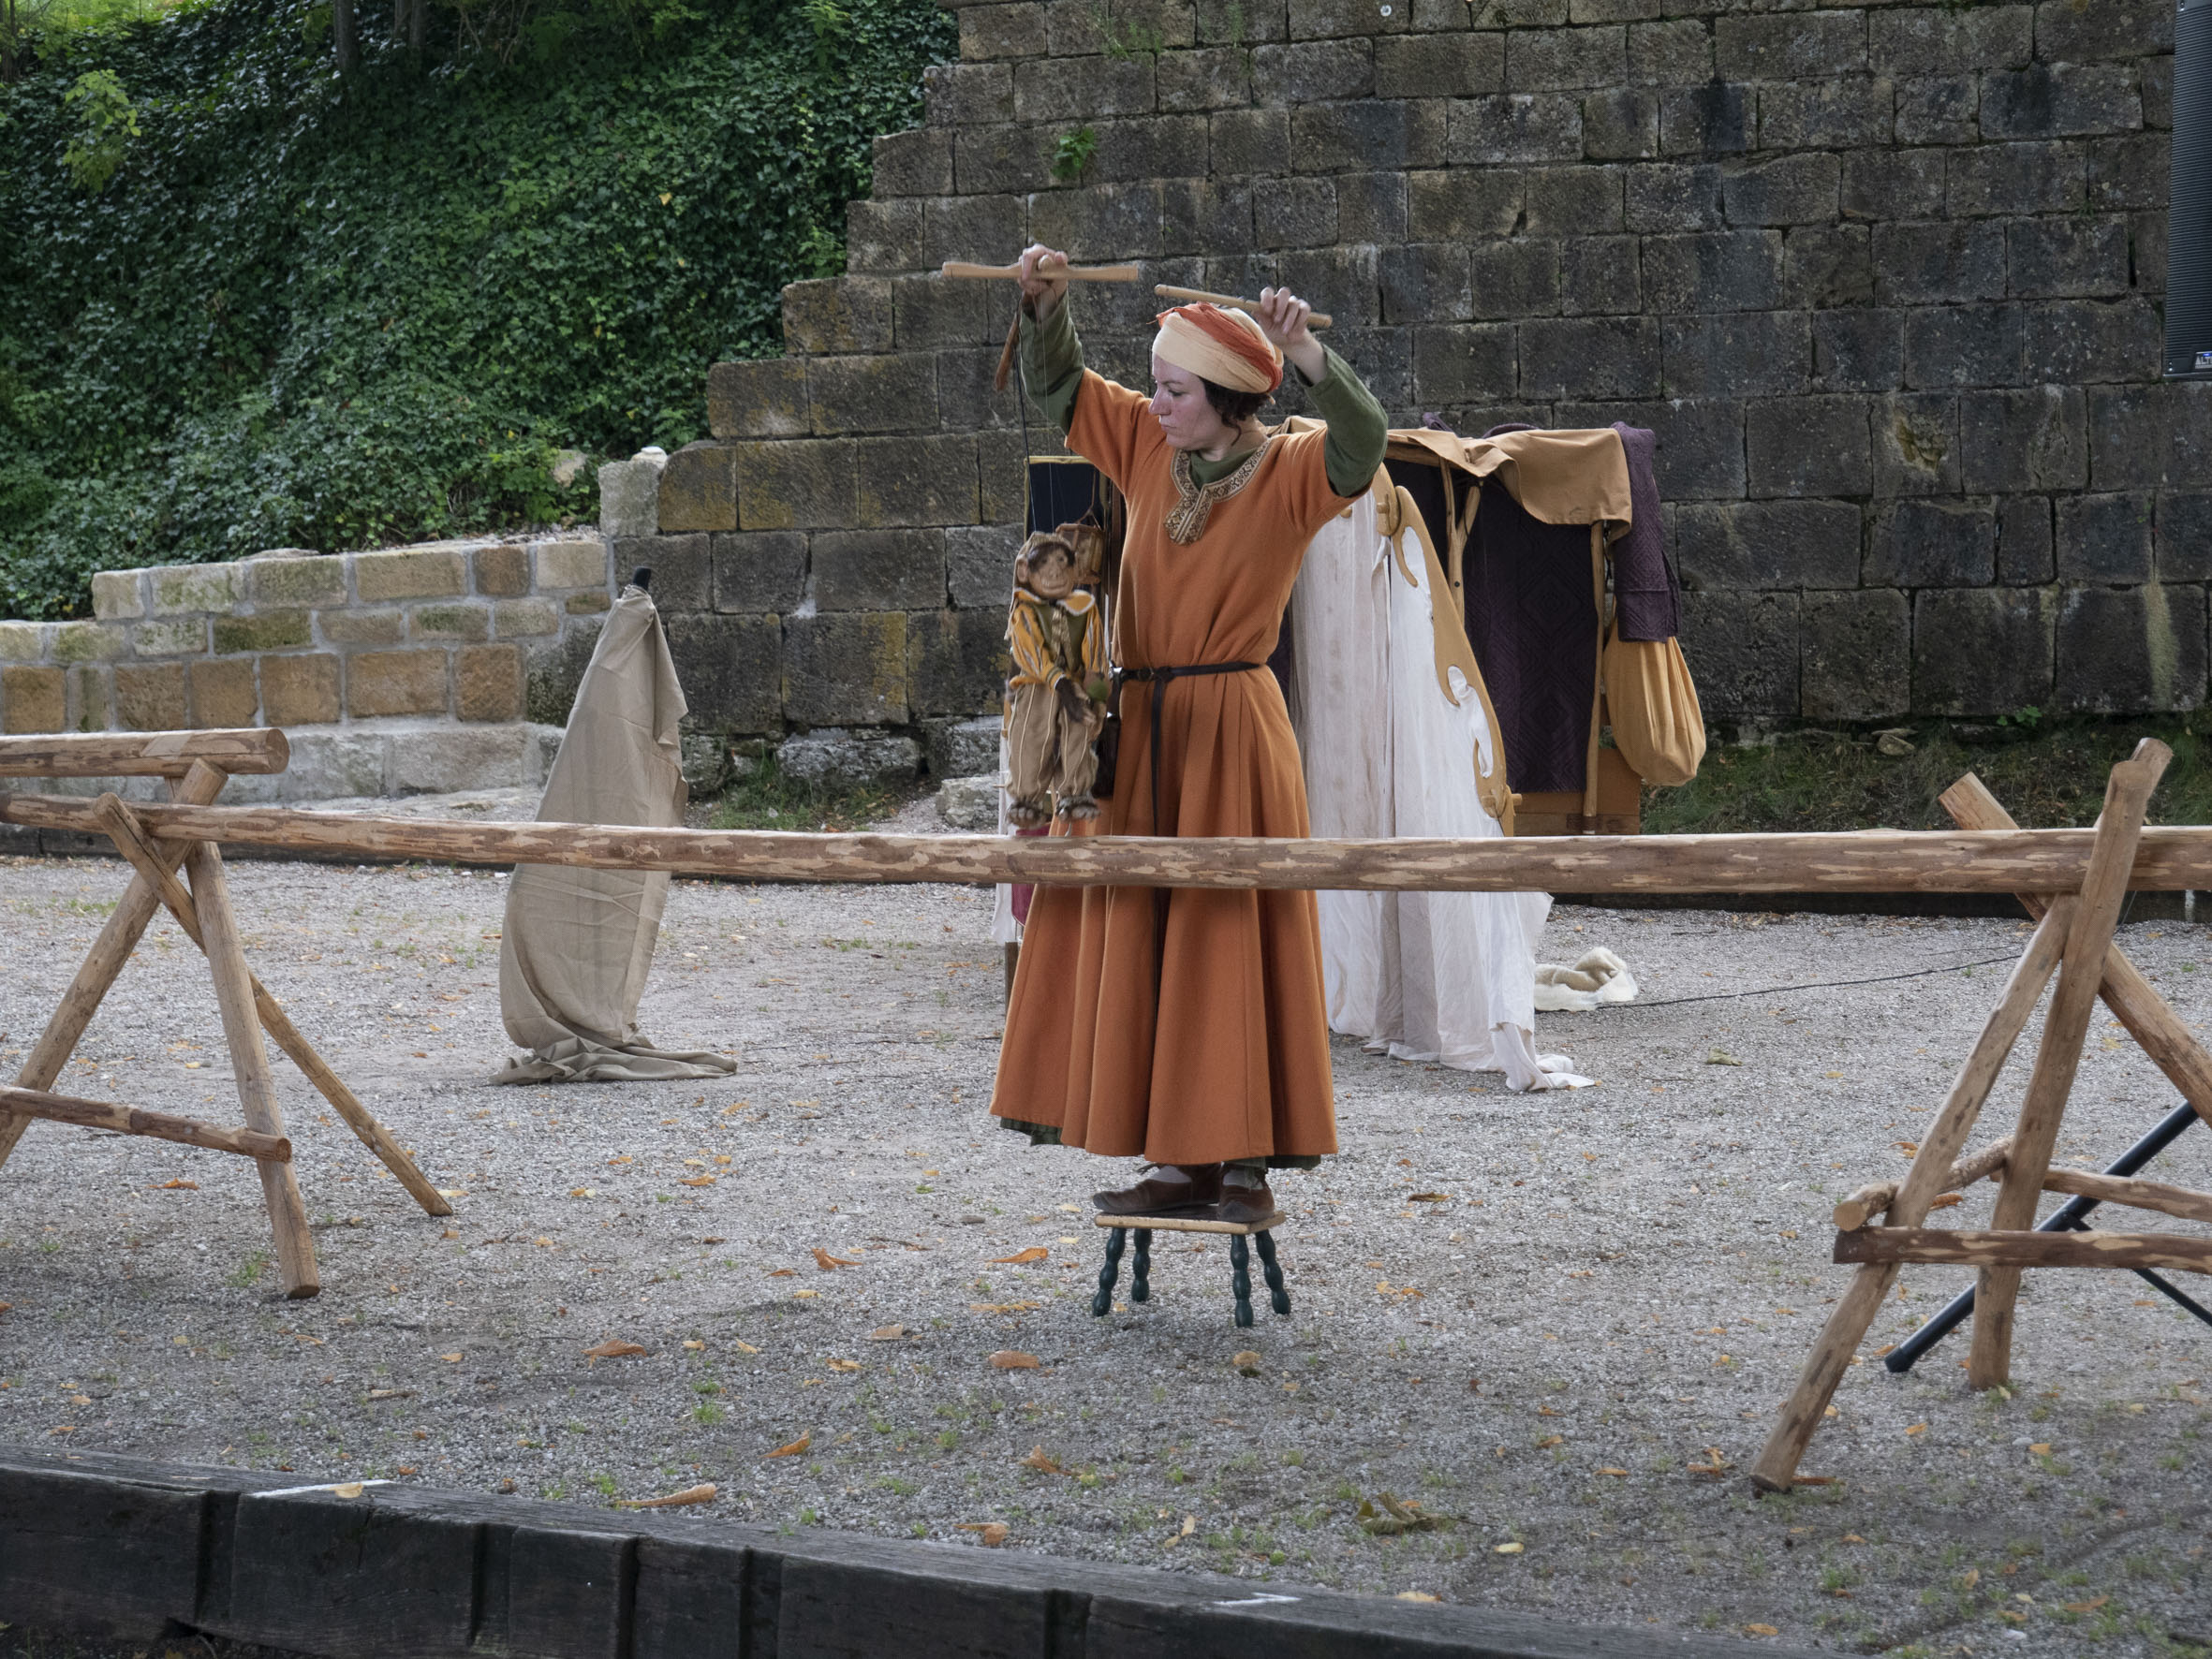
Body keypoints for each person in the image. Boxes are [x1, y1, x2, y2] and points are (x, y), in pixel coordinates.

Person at [988, 242, 1389, 1226]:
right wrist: (1043, 303)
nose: (1156, 403)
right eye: (1156, 388)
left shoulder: (1292, 468)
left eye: (1174, 390)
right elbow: (1062, 388)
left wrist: (1306, 356)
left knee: (1228, 935)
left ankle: (1242, 1163)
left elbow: (1364, 443)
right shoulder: (1141, 446)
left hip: (1231, 730)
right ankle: (1174, 1155)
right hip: (1145, 726)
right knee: (1147, 929)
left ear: (1225, 397)